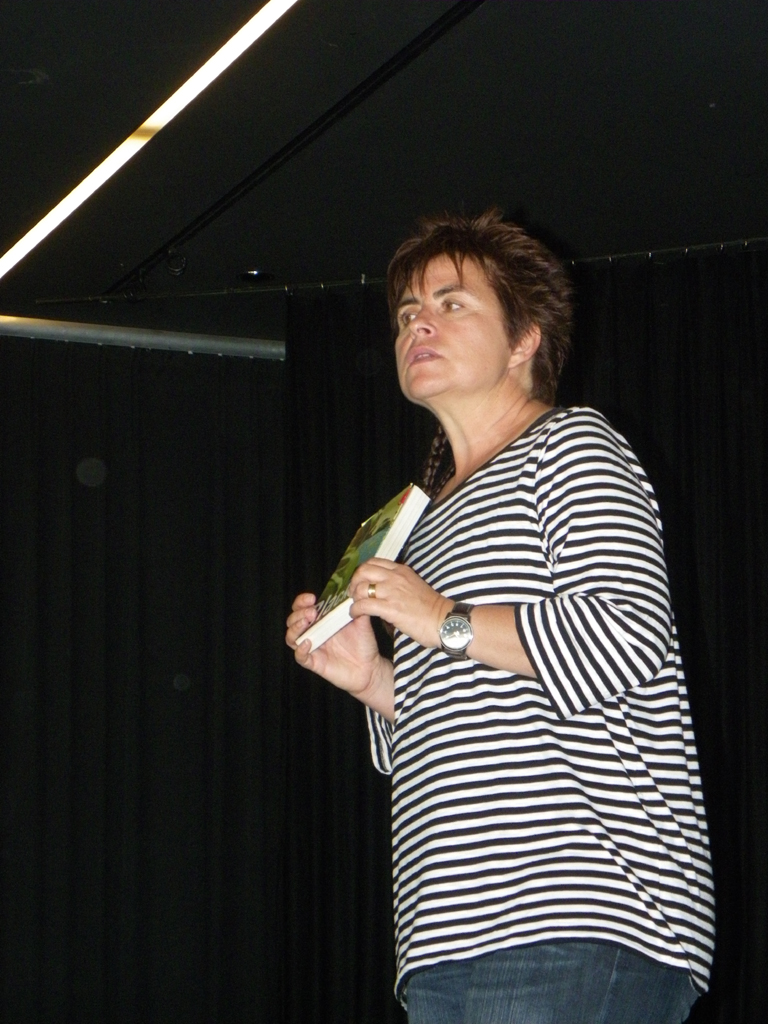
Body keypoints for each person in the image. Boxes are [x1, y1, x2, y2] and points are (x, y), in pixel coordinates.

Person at [286, 209, 715, 1024]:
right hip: (447, 935)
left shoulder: (572, 446)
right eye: (407, 312)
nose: (418, 325)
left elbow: (624, 635)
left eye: (451, 304)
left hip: (578, 915)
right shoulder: (426, 514)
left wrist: (440, 617)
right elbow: (481, 705)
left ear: (525, 340)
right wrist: (374, 680)